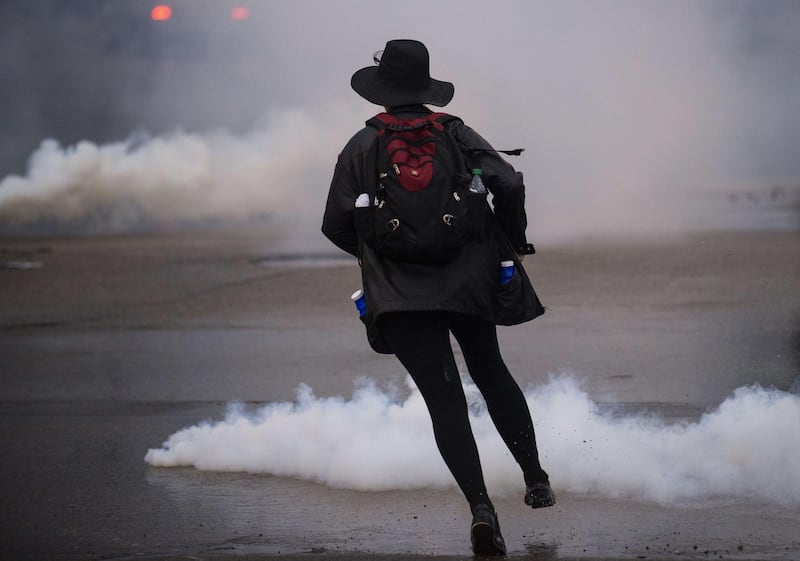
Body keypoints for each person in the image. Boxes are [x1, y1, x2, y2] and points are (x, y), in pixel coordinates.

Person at [322, 39, 555, 556]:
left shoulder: (361, 146)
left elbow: (334, 224)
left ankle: (481, 510)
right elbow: (509, 183)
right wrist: (509, 240)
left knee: (444, 398)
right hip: (467, 279)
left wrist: (380, 253)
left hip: (402, 295)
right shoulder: (456, 132)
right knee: (490, 371)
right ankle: (536, 478)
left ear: (382, 91)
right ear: (426, 87)